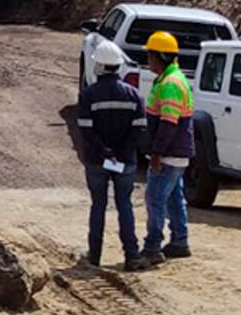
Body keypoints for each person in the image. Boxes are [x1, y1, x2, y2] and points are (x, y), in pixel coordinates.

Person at [77, 39, 150, 272]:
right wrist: (120, 152)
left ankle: (94, 255)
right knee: (124, 205)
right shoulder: (134, 95)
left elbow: (86, 129)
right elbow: (139, 129)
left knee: (98, 205)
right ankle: (131, 255)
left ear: (98, 66)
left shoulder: (89, 95)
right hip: (125, 160)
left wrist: (105, 151)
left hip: (97, 160)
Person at [142, 30, 195, 265]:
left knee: (155, 199)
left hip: (170, 154)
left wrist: (157, 153)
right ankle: (179, 241)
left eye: (151, 56)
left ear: (160, 57)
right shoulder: (170, 79)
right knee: (174, 198)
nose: (148, 60)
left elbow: (168, 123)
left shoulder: (171, 84)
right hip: (177, 153)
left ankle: (153, 246)